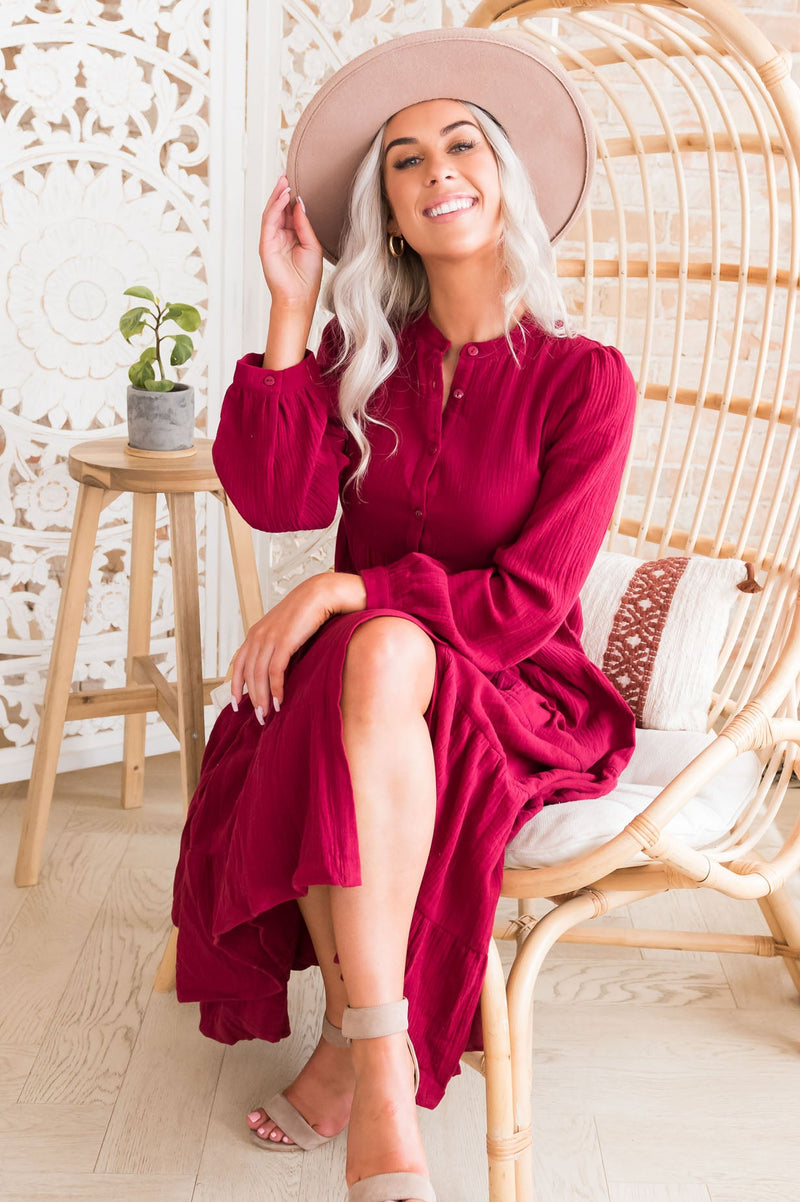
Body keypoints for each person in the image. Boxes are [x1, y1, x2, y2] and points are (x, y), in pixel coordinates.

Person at [171, 26, 638, 1202]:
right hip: (366, 682)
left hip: (511, 679)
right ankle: (379, 1067)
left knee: (369, 645)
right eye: (405, 159)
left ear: (503, 176)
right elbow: (277, 499)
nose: (438, 172)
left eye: (461, 145)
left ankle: (352, 1056)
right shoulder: (360, 354)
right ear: (386, 208)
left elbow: (530, 599)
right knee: (364, 663)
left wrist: (347, 587)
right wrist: (289, 308)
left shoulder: (583, 378)